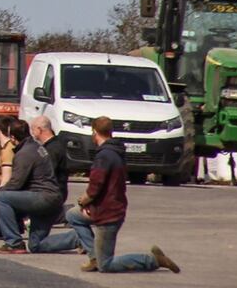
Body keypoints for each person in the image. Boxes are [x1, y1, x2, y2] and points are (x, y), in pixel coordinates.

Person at [30, 116, 181, 274]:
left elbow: (95, 187)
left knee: (106, 265)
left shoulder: (103, 156)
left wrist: (84, 201)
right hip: (112, 206)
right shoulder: (116, 151)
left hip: (107, 213)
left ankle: (152, 259)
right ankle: (93, 255)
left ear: (94, 132)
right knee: (72, 215)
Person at [0, 119, 63, 254]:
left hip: (42, 198)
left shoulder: (24, 153)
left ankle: (14, 242)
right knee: (36, 245)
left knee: (1, 197)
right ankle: (78, 238)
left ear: (13, 137)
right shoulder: (36, 146)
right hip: (52, 197)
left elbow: (16, 183)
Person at [31, 114, 70, 222]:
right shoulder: (53, 145)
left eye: (33, 130)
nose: (32, 134)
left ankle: (65, 214)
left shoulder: (52, 149)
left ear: (39, 130)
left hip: (54, 192)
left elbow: (46, 173)